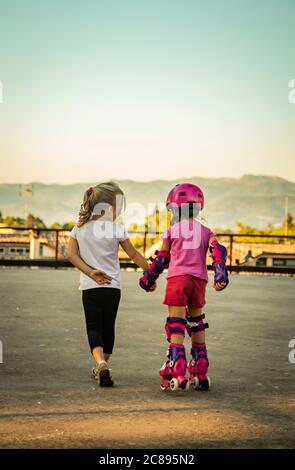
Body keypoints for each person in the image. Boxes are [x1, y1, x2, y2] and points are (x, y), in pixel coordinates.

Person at [140, 183, 229, 391]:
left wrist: (147, 279)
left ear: (174, 208)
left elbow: (161, 260)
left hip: (177, 280)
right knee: (197, 322)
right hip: (199, 281)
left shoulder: (171, 230)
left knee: (176, 323)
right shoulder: (207, 231)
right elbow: (218, 253)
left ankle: (176, 365)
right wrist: (220, 275)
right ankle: (201, 367)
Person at [68, 182, 150, 387]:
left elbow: (71, 255)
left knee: (93, 327)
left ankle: (101, 363)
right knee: (108, 327)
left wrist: (90, 272)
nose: (121, 211)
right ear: (108, 208)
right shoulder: (116, 229)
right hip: (112, 288)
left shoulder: (79, 228)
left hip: (90, 287)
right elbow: (134, 255)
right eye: (119, 207)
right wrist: (151, 273)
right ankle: (103, 365)